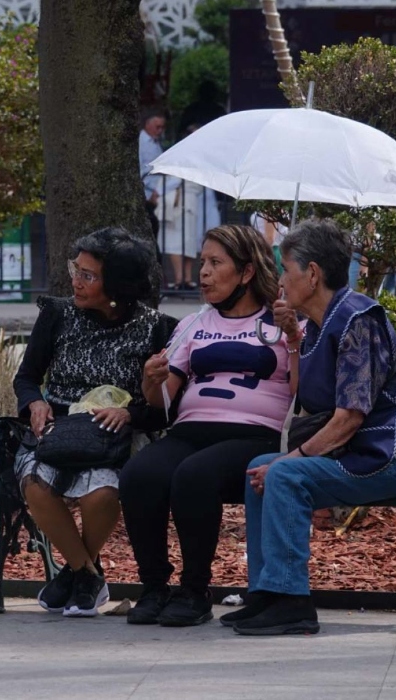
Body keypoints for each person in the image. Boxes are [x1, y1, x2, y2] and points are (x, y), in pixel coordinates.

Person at [228, 219, 396, 635]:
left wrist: (291, 460)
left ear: (313, 273)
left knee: (281, 471)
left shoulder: (359, 321)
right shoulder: (320, 324)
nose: (281, 280)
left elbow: (349, 418)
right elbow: (306, 398)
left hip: (393, 455)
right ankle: (266, 593)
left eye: (286, 269)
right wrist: (292, 339)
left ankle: (294, 604)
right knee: (260, 469)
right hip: (357, 452)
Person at [121, 224, 292, 627]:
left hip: (254, 435)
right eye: (202, 263)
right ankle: (153, 587)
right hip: (191, 430)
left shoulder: (281, 323)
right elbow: (161, 403)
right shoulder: (194, 324)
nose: (204, 274)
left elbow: (305, 394)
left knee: (193, 475)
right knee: (139, 474)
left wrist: (295, 338)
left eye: (216, 264)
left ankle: (195, 590)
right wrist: (152, 379)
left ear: (247, 272)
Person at [14, 228, 176, 618]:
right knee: (36, 484)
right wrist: (34, 402)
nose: (76, 281)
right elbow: (26, 377)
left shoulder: (157, 328)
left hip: (117, 434)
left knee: (101, 494)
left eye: (89, 275)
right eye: (77, 270)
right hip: (58, 428)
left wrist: (130, 413)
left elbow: (165, 407)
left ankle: (75, 575)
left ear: (117, 284)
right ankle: (87, 574)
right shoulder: (57, 314)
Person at [139, 110, 166, 239]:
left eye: (162, 127)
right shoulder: (141, 143)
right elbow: (140, 171)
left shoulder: (155, 142)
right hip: (148, 194)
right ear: (147, 125)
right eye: (157, 127)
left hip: (158, 191)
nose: (160, 131)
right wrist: (150, 193)